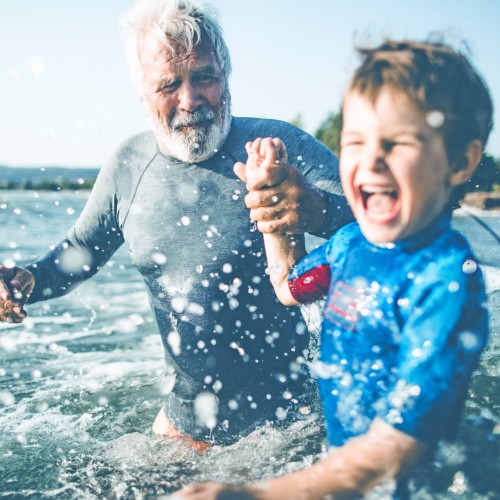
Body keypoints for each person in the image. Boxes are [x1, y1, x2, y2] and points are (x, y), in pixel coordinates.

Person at [0, 0, 352, 448]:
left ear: (225, 72)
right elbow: (75, 256)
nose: (190, 100)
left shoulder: (279, 148)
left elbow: (392, 227)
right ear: (141, 92)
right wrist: (23, 282)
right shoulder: (129, 166)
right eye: (169, 84)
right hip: (182, 432)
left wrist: (317, 209)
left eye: (204, 76)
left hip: (290, 433)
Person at [177, 38, 492, 498]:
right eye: (356, 141)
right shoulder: (348, 246)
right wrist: (271, 212)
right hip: (345, 476)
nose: (371, 160)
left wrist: (262, 494)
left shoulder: (444, 280)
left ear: (462, 159)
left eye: (398, 141)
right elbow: (288, 286)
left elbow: (401, 445)